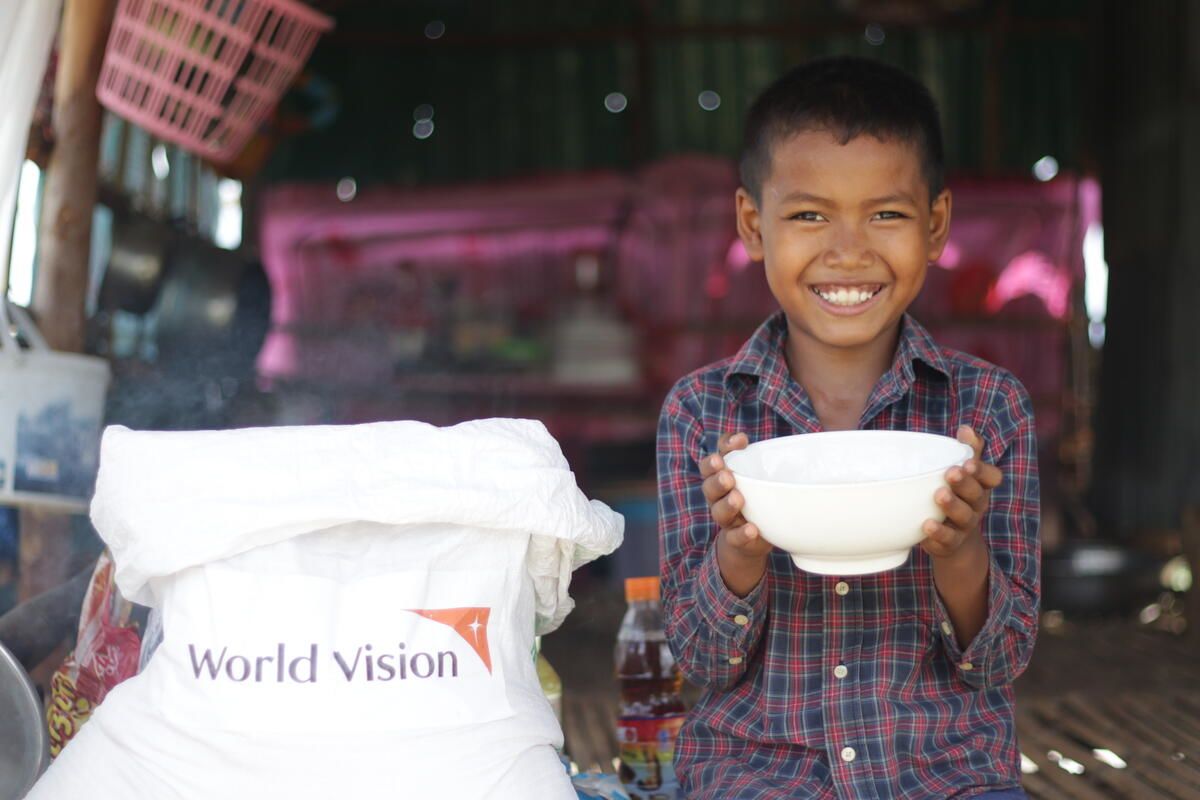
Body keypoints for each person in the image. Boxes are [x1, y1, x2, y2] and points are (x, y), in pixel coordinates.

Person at [656, 56, 1039, 799]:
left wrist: (960, 552)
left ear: (935, 226)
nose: (848, 251)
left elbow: (1001, 660)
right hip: (757, 776)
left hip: (947, 777)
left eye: (886, 214)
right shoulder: (703, 413)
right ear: (751, 225)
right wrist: (739, 551)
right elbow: (702, 661)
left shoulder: (988, 410)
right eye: (808, 215)